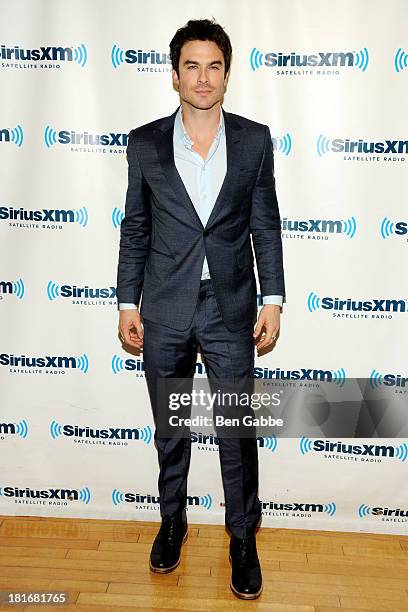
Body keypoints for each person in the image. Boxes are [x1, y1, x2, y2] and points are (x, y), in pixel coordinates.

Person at [116, 18, 285, 600]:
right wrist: (125, 302)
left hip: (231, 307)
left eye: (214, 65)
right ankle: (172, 522)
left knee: (236, 430)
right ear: (174, 75)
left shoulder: (254, 140)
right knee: (172, 429)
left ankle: (243, 539)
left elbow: (266, 224)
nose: (203, 77)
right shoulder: (143, 144)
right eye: (192, 65)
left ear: (227, 74)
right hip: (163, 307)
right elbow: (135, 228)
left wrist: (273, 299)